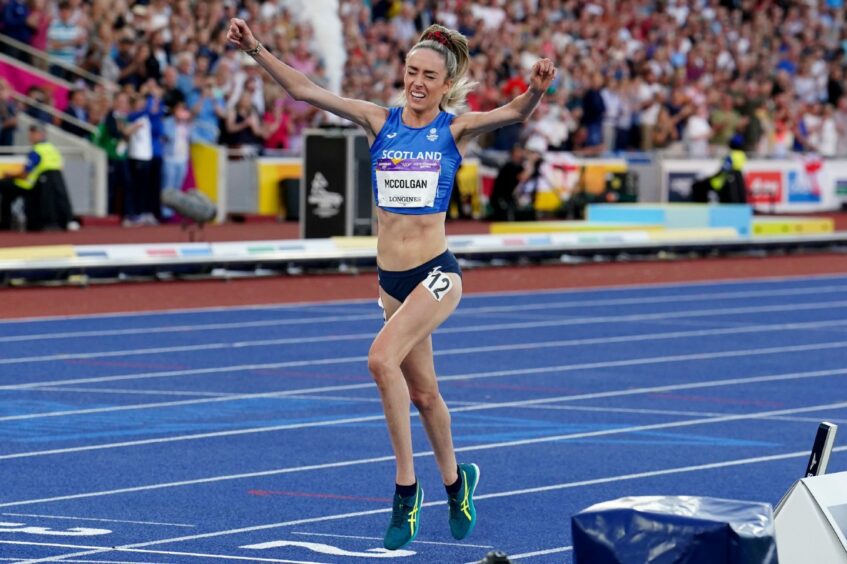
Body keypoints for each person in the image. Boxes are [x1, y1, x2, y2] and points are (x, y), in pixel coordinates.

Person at [227, 18, 555, 551]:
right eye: (411, 71)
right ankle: (457, 482)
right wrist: (256, 49)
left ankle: (406, 489)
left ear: (446, 83)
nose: (417, 82)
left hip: (438, 274)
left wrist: (537, 89)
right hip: (391, 282)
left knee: (380, 360)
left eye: (429, 74)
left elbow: (514, 112)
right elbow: (304, 90)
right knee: (425, 394)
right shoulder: (379, 122)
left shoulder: (453, 130)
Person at [0, 123, 74, 230]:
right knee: (8, 192)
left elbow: (25, 174)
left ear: (42, 134)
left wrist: (9, 174)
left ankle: (5, 223)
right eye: (30, 134)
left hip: (29, 185)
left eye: (33, 134)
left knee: (4, 186)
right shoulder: (51, 148)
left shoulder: (37, 151)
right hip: (45, 185)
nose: (30, 137)